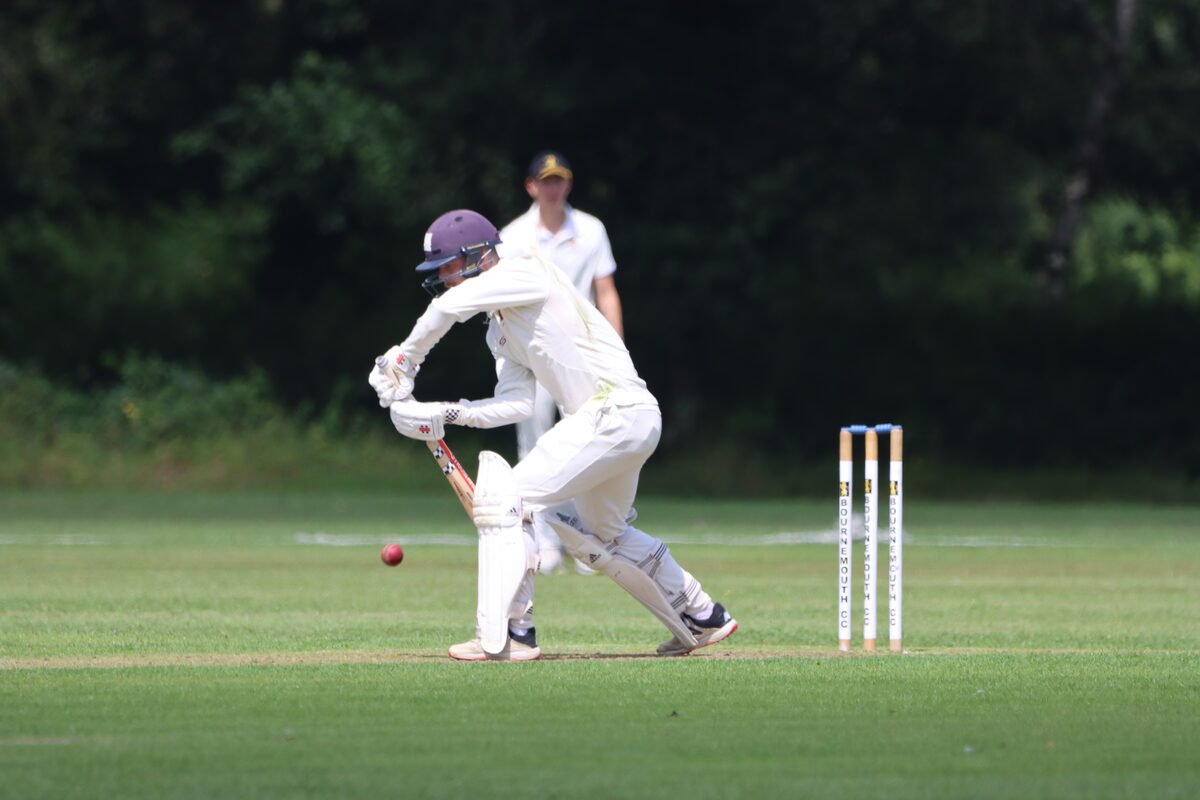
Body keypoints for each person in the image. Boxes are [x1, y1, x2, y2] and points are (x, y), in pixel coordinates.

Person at [367, 209, 738, 662]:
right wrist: (442, 414)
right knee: (605, 534)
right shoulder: (500, 330)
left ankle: (511, 634)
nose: (441, 279)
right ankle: (703, 613)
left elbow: (446, 310)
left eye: (446, 267)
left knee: (507, 500)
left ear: (478, 257)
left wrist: (404, 360)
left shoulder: (523, 271)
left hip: (614, 412)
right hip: (617, 422)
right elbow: (516, 405)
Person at [499, 151, 625, 574]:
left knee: (590, 444)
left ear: (568, 184)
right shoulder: (513, 236)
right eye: (545, 181)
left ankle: (590, 541)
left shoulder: (591, 230)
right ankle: (545, 542)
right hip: (533, 355)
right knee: (534, 446)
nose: (553, 188)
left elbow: (605, 290)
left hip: (585, 355)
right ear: (531, 186)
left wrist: (617, 352)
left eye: (560, 180)